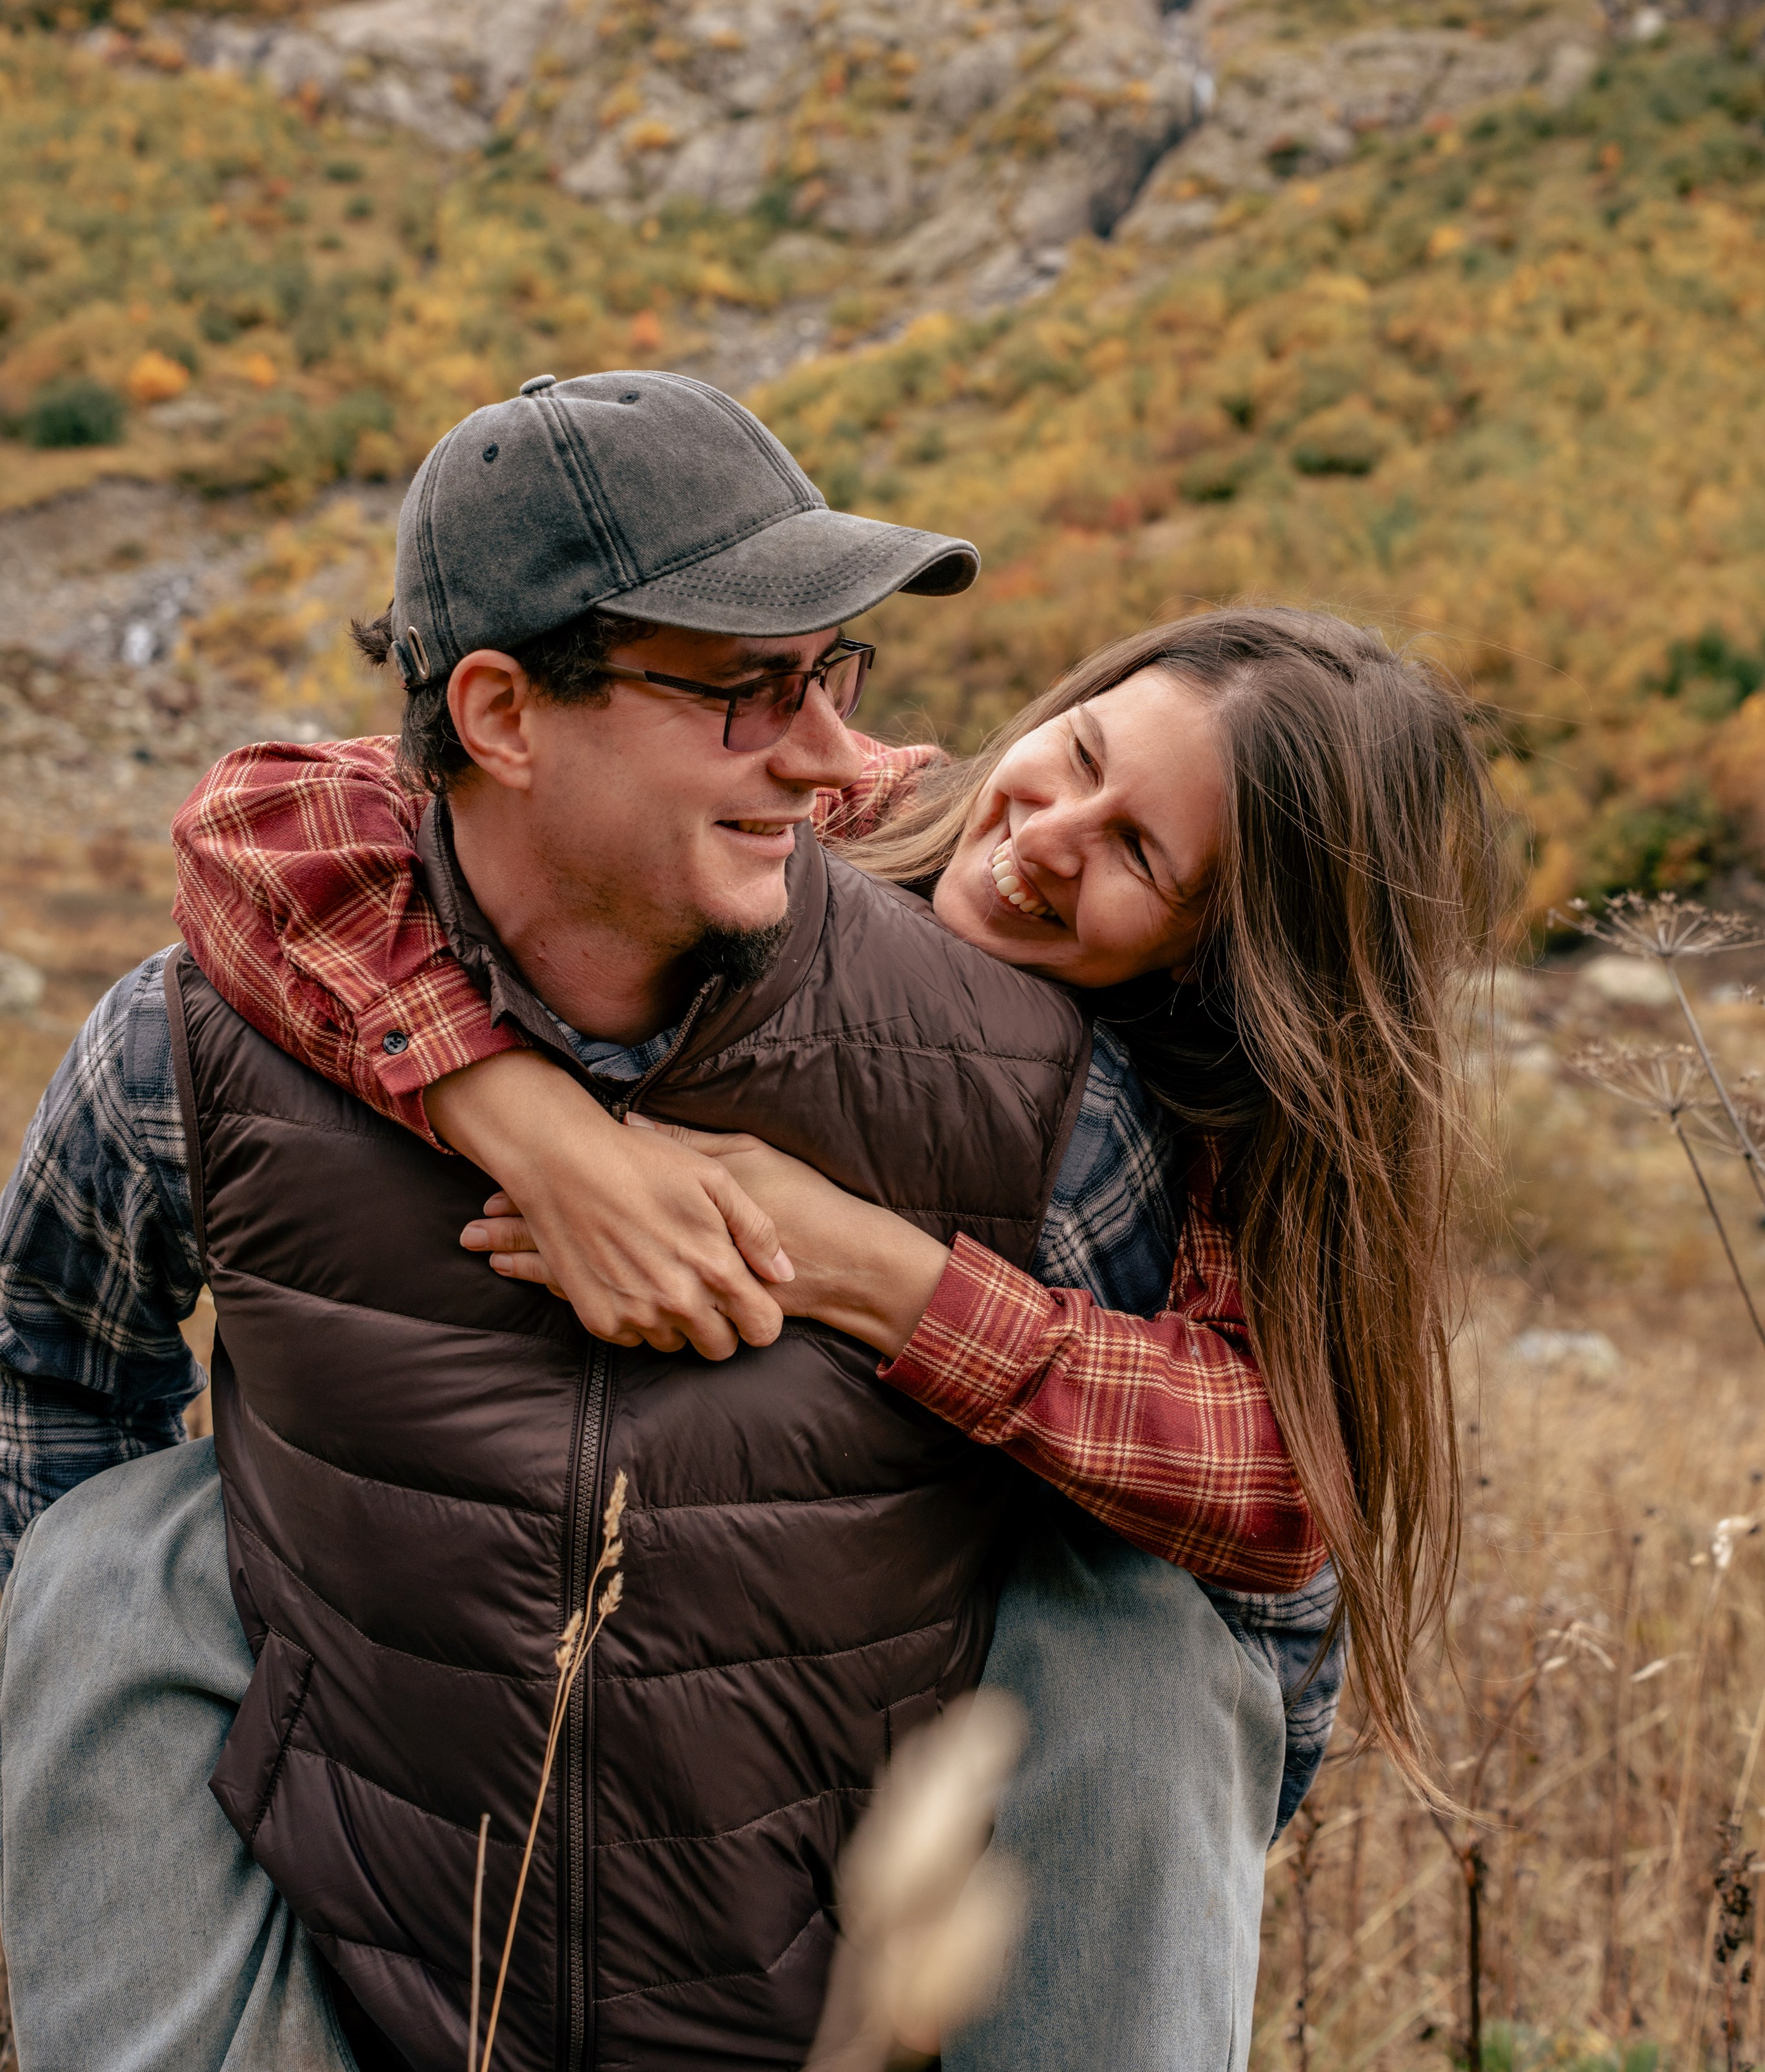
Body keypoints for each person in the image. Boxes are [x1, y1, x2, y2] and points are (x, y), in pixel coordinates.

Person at [0, 373, 1339, 2072]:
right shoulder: (192, 1043)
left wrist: (1137, 1883)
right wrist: (115, 1818)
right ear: (498, 714)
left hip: (835, 2023)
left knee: (1137, 1633)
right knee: (123, 1552)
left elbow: (1259, 1568)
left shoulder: (1043, 1098)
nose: (831, 754)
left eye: (831, 675)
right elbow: (41, 1364)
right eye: (741, 689)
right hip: (370, 1986)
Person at [161, 578, 1503, 2055]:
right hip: (594, 1747)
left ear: (1232, 956)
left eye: (1137, 851)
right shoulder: (847, 814)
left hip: (933, 1755)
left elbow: (1272, 1493)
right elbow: (270, 817)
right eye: (1078, 755)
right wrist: (537, 1128)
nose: (1041, 837)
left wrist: (866, 1268)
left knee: (1135, 1636)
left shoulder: (1183, 1149)